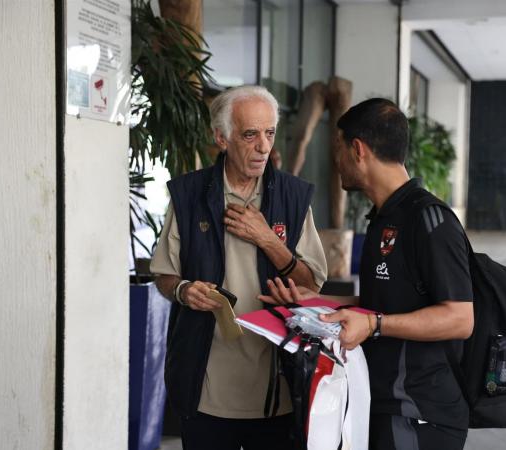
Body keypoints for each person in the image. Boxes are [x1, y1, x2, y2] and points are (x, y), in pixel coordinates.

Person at [262, 98, 474, 450]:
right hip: (379, 401)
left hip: (420, 413)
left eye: (338, 149)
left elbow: (459, 318)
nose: (337, 162)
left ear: (358, 150)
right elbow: (384, 302)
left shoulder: (429, 221)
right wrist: (315, 302)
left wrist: (374, 325)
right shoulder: (382, 218)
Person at [150, 85, 327, 450]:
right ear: (222, 138)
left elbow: (313, 284)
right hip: (206, 387)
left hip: (277, 390)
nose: (264, 146)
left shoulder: (294, 197)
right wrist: (184, 290)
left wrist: (269, 241)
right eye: (250, 134)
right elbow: (164, 275)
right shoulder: (189, 196)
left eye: (270, 133)